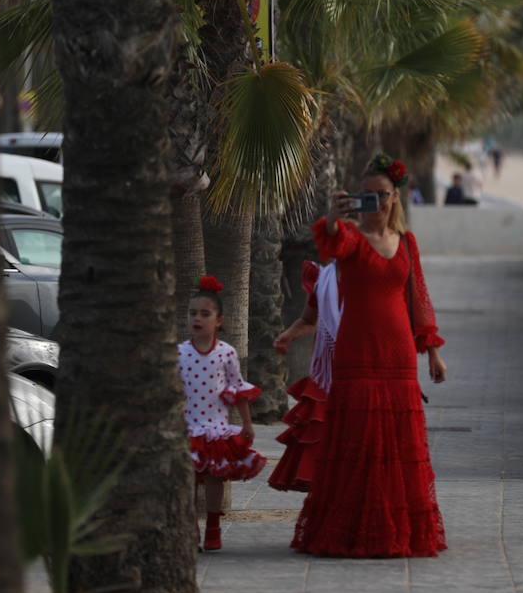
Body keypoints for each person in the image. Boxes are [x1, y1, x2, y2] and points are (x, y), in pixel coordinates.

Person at [291, 152, 448, 558]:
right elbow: (328, 244)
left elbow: (419, 300)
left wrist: (432, 352)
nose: (376, 202)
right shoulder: (349, 238)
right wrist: (331, 216)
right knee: (357, 441)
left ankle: (398, 530)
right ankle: (350, 529)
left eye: (382, 194)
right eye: (368, 195)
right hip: (356, 349)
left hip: (397, 355)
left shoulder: (408, 243)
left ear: (395, 197)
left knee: (397, 443)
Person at [179, 275, 266, 552]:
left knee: (216, 477)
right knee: (188, 478)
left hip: (216, 427)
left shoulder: (226, 353)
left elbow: (237, 390)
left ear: (219, 320)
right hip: (188, 426)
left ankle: (213, 525)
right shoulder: (179, 353)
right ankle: (189, 527)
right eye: (193, 313)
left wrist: (248, 425)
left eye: (205, 313)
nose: (198, 318)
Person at [268, 260, 341, 493]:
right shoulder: (324, 279)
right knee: (317, 456)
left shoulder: (373, 280)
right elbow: (308, 320)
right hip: (324, 379)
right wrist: (288, 335)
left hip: (360, 377)